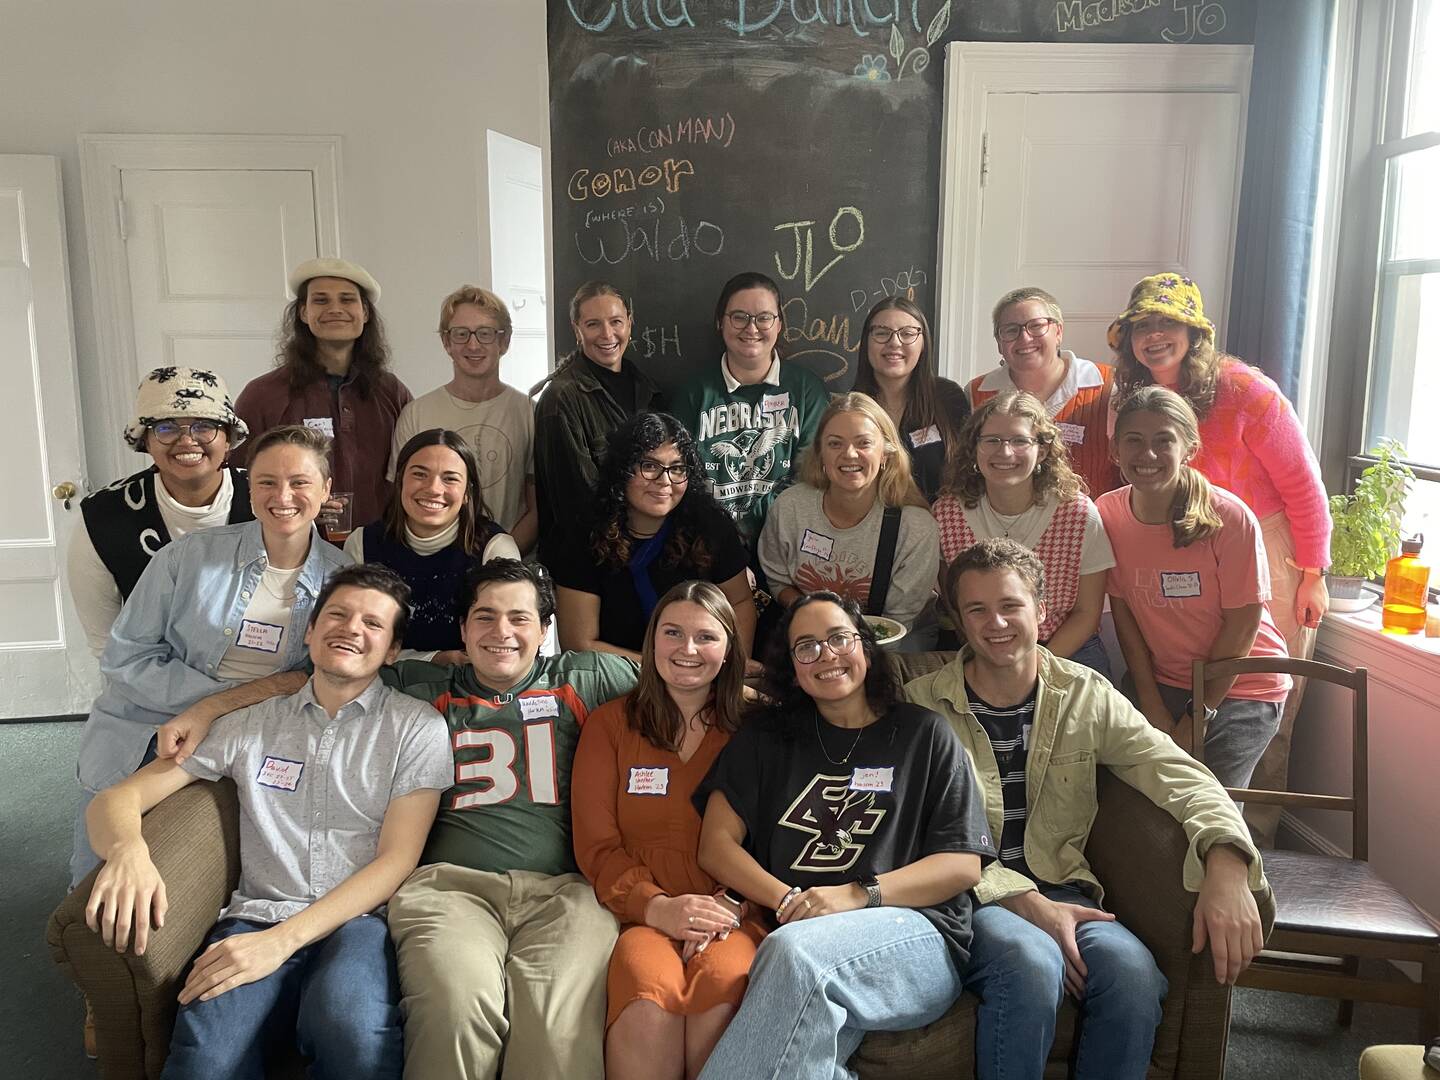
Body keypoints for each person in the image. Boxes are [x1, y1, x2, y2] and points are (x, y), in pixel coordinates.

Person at [157, 559, 641, 1080]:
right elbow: (316, 675)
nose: (501, 632)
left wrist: (741, 702)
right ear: (462, 629)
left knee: (555, 1027)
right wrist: (208, 709)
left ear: (545, 630)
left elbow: (684, 681)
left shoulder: (588, 677)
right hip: (451, 889)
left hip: (565, 890)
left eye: (519, 618)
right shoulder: (420, 686)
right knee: (454, 1010)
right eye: (485, 616)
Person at [906, 538, 1267, 1080]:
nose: (996, 623)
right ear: (958, 620)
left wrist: (1227, 858)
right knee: (1032, 964)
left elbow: (1178, 772)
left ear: (1042, 611)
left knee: (1133, 976)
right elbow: (914, 832)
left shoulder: (1085, 693)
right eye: (977, 609)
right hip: (969, 897)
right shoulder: (921, 705)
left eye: (1011, 606)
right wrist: (1022, 901)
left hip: (1067, 889)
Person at [82, 565, 453, 1080]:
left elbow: (397, 860)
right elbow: (116, 799)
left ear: (392, 650)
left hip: (359, 925)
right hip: (254, 917)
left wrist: (282, 942)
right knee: (202, 1066)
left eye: (373, 624)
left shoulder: (417, 728)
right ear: (310, 630)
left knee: (355, 1046)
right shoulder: (249, 724)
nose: (351, 628)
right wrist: (128, 852)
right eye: (338, 614)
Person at [692, 591, 993, 1077]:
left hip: (916, 933)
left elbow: (962, 864)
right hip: (804, 930)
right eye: (806, 647)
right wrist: (792, 902)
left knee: (796, 954)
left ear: (866, 648)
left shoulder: (924, 735)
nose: (826, 655)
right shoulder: (765, 738)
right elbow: (716, 846)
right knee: (809, 1057)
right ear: (791, 668)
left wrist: (857, 895)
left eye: (838, 638)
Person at [71, 424, 350, 887]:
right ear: (248, 487)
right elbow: (126, 658)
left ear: (325, 490)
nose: (283, 495)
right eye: (266, 482)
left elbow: (325, 681)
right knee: (91, 884)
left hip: (263, 736)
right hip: (150, 722)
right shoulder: (186, 557)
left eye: (300, 482)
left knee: (252, 877)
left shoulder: (343, 581)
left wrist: (229, 712)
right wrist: (239, 696)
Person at [1108, 272, 1330, 836]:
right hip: (1175, 537)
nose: (1154, 335)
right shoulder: (1132, 398)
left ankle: (1252, 844)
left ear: (1194, 332)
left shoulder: (1245, 389)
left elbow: (1304, 484)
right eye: (1142, 326)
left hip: (1265, 541)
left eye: (1167, 322)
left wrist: (1313, 572)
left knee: (1258, 696)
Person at [572, 581, 762, 1080]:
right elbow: (597, 846)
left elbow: (784, 839)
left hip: (734, 913)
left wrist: (734, 903)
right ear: (651, 640)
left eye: (706, 636)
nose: (688, 650)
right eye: (673, 633)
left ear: (729, 648)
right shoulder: (610, 725)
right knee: (645, 992)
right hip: (641, 913)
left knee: (722, 987)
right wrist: (658, 907)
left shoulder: (758, 727)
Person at [1097, 386, 1290, 789]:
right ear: (1115, 450)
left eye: (1163, 440)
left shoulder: (1229, 518)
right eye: (1134, 440)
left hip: (1241, 688)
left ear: (1189, 448)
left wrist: (1196, 717)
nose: (1146, 455)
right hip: (1161, 680)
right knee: (1137, 807)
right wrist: (1150, 704)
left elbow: (1242, 628)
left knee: (1212, 812)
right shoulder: (1107, 513)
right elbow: (1125, 614)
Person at [68, 367, 254, 657]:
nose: (187, 440)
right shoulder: (103, 517)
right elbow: (106, 644)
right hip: (150, 681)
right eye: (166, 428)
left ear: (228, 439)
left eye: (204, 426)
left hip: (259, 675)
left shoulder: (271, 499)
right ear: (146, 441)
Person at [932, 390, 1114, 675]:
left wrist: (1031, 668)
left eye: (1019, 441)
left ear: (1041, 449)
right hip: (983, 645)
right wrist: (994, 657)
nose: (1004, 452)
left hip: (1065, 648)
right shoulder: (946, 514)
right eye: (991, 440)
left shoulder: (1078, 514)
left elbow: (1087, 614)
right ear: (974, 447)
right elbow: (957, 606)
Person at [552, 412, 756, 662]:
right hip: (618, 680)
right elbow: (579, 644)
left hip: (702, 677)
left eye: (677, 469)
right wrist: (669, 670)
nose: (664, 480)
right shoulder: (585, 534)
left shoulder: (710, 526)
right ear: (622, 470)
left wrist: (733, 669)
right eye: (650, 466)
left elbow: (741, 602)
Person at [235, 257, 412, 541]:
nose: (335, 309)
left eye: (347, 299)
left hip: (380, 551)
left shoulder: (393, 393)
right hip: (293, 550)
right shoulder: (263, 396)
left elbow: (411, 475)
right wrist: (296, 506)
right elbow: (238, 483)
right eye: (320, 300)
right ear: (303, 313)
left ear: (365, 313)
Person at [758, 393, 941, 648]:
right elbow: (778, 580)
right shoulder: (791, 508)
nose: (849, 454)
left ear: (886, 453)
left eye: (864, 443)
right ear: (820, 452)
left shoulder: (916, 528)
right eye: (835, 444)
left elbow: (896, 622)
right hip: (812, 630)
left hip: (894, 645)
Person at [666, 271, 831, 546]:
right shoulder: (693, 392)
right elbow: (677, 472)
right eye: (739, 317)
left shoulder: (807, 390)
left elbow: (811, 474)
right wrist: (718, 533)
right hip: (707, 543)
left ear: (778, 324)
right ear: (720, 322)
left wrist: (748, 524)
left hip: (786, 538)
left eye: (764, 317)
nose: (751, 328)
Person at [346, 429, 519, 661]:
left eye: (450, 479)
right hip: (378, 680)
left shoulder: (496, 549)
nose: (434, 489)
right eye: (420, 474)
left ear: (468, 492)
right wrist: (433, 659)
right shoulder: (362, 543)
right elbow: (351, 642)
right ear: (399, 482)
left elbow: (507, 644)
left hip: (468, 685)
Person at [390, 286, 537, 552]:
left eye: (485, 333)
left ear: (504, 341)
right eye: (461, 334)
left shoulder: (529, 412)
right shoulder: (417, 414)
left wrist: (500, 560)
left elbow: (538, 507)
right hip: (432, 562)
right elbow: (402, 501)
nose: (473, 344)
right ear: (447, 342)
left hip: (507, 569)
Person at [534, 281, 661, 561]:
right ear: (576, 329)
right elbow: (576, 503)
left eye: (616, 321)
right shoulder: (560, 399)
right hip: (590, 560)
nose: (607, 334)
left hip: (642, 551)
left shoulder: (648, 391)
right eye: (593, 324)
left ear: (630, 322)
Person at [969, 287, 1120, 499]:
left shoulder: (1108, 386)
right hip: (1005, 526)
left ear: (1058, 332)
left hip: (1090, 524)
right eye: (1011, 330)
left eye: (1036, 326)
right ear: (999, 343)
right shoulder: (977, 393)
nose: (1024, 338)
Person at [851, 297, 969, 503]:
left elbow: (968, 468)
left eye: (907, 333)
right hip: (869, 528)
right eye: (881, 333)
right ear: (866, 342)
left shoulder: (948, 398)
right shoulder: (851, 409)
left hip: (938, 526)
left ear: (923, 343)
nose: (894, 342)